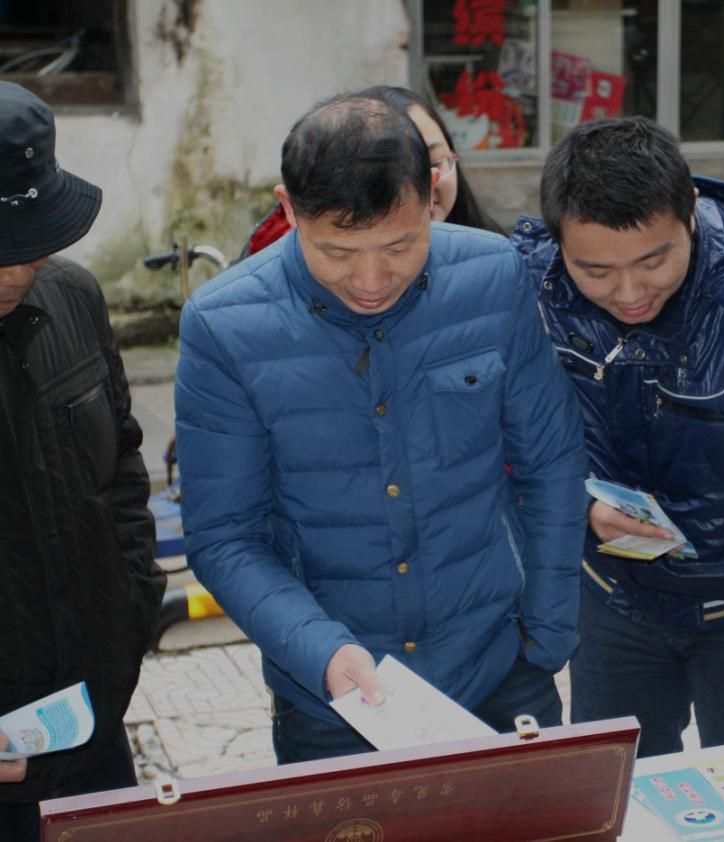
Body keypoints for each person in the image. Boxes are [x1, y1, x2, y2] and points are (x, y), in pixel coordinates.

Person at [174, 90, 588, 764]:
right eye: (338, 252)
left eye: (400, 245)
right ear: (289, 209)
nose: (371, 279)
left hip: (498, 667)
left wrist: (546, 630)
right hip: (334, 696)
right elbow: (225, 536)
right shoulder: (224, 327)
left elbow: (551, 463)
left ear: (433, 194)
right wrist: (320, 650)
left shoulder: (492, 277)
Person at [511, 117, 724, 759]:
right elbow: (504, 440)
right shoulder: (529, 288)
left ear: (690, 210)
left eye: (653, 260)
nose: (630, 293)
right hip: (611, 596)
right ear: (559, 243)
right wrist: (577, 507)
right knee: (617, 786)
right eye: (596, 271)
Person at [0, 82, 164, 839]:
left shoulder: (73, 297)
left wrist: (132, 612)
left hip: (88, 719)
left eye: (31, 244)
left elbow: (122, 470)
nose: (17, 272)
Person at [241, 85, 501, 258]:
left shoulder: (500, 258)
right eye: (340, 253)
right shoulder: (271, 262)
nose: (419, 186)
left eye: (434, 162)